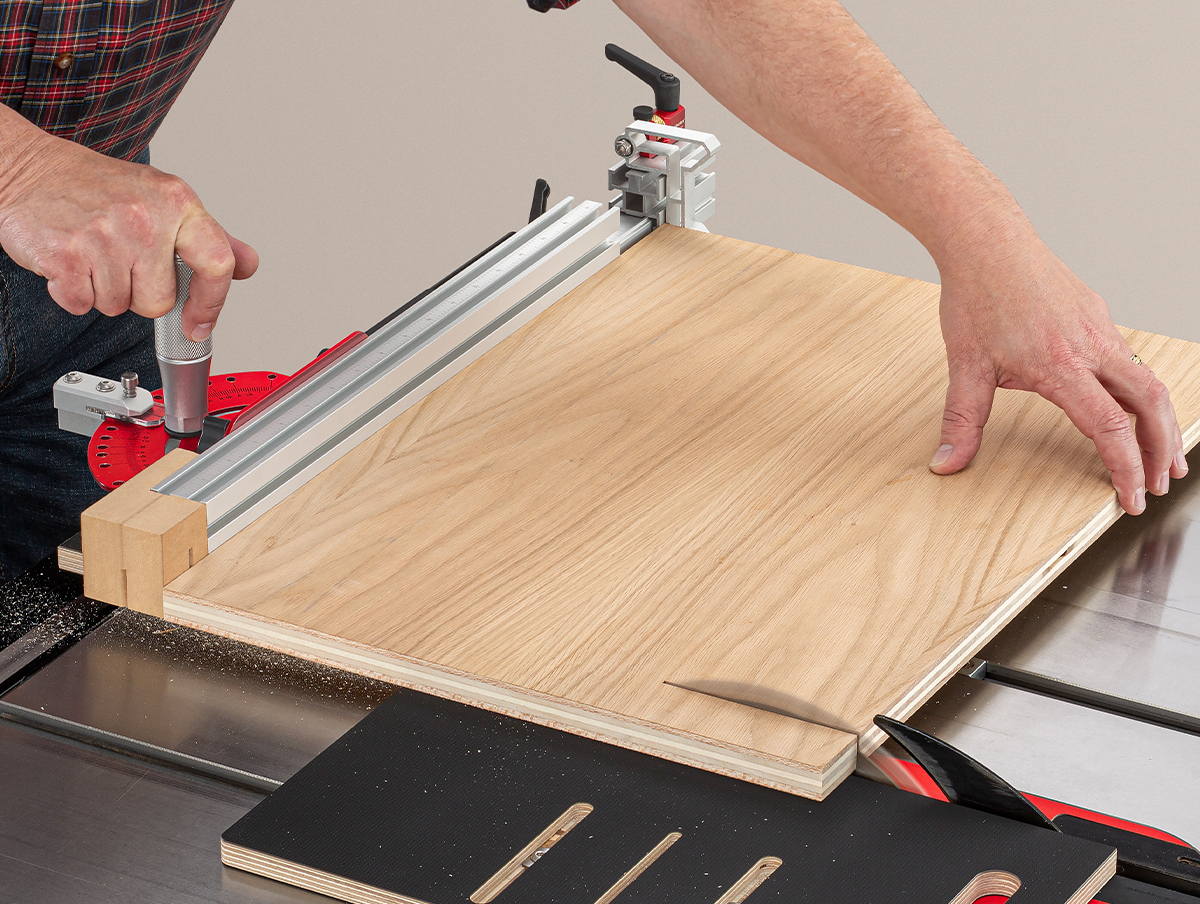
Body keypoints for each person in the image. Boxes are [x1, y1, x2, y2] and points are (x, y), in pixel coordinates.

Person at [0, 0, 1183, 583]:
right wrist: (21, 170)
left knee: (131, 682)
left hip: (71, 299)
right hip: (48, 205)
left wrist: (981, 235)